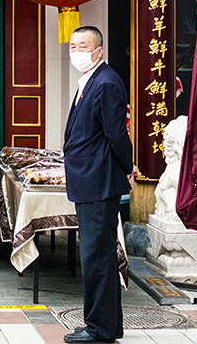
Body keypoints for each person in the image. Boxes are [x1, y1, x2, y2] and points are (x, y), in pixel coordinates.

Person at [63, 26, 136, 344]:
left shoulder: (105, 82)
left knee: (96, 255)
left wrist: (128, 166)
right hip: (89, 179)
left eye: (83, 45)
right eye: (73, 45)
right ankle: (107, 325)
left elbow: (116, 134)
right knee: (99, 255)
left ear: (99, 51)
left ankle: (99, 328)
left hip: (98, 180)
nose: (77, 51)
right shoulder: (88, 82)